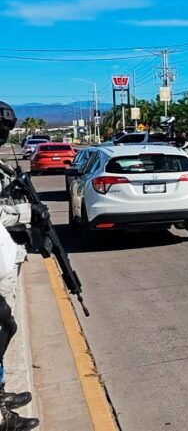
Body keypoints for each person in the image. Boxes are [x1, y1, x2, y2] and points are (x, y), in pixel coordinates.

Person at [0, 102, 42, 431]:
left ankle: (1, 393)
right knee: (3, 328)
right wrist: (26, 214)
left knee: (6, 327)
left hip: (5, 260)